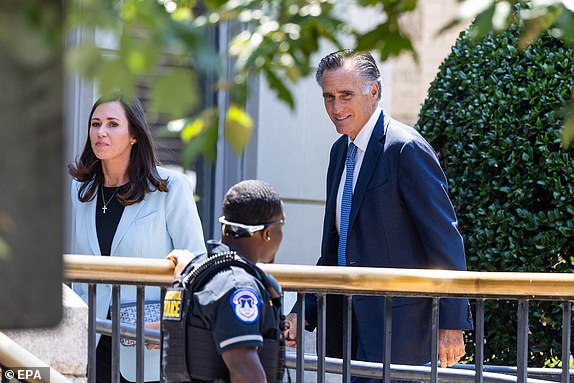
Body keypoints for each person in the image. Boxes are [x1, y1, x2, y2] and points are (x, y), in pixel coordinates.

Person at [283, 50, 473, 382]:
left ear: (374, 92)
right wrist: (302, 312)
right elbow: (335, 251)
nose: (336, 108)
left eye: (345, 96)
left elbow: (444, 240)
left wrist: (452, 323)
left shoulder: (405, 149)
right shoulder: (340, 151)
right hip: (349, 328)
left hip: (401, 334)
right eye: (328, 98)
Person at [69, 95, 207, 383]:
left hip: (149, 340)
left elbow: (198, 264)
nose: (100, 132)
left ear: (134, 135)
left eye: (112, 124)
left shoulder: (170, 188)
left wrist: (173, 321)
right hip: (90, 339)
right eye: (95, 124)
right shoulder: (81, 190)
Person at [163, 180, 286, 383]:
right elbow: (246, 373)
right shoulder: (238, 286)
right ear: (268, 233)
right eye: (281, 224)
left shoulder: (199, 273)